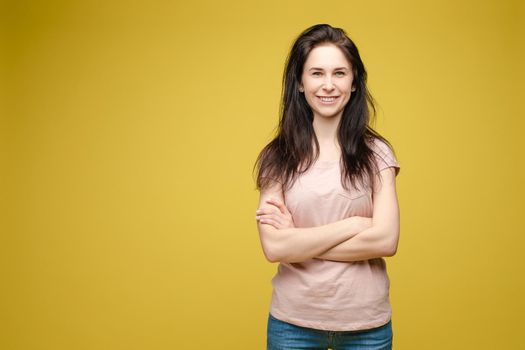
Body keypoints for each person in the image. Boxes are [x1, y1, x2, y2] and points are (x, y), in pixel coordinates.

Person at [253, 24, 401, 350]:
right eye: (317, 73)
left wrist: (299, 242)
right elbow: (275, 249)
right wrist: (354, 225)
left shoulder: (378, 154)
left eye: (340, 73)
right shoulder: (276, 157)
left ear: (354, 82)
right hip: (293, 324)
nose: (329, 85)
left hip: (367, 325)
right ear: (301, 83)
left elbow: (386, 240)